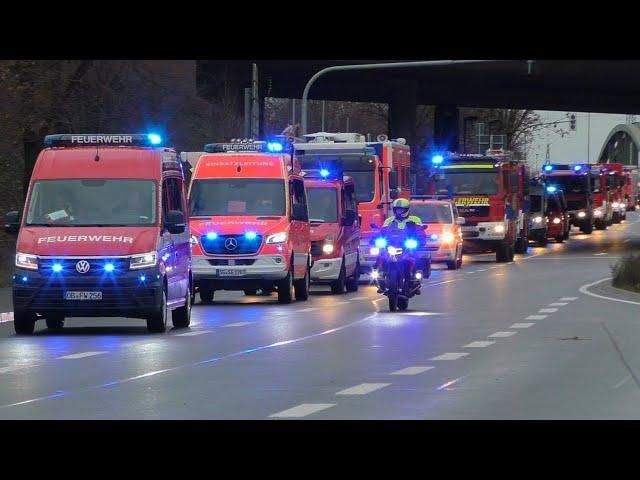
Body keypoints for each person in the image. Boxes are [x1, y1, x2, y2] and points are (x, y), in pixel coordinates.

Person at [375, 198, 426, 293]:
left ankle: (416, 279)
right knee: (380, 256)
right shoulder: (389, 221)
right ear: (394, 210)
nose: (399, 211)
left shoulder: (415, 219)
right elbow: (382, 232)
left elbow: (420, 232)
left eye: (401, 209)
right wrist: (377, 239)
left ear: (406, 209)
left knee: (416, 257)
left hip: (406, 245)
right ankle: (379, 277)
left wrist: (420, 239)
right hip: (392, 245)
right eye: (397, 209)